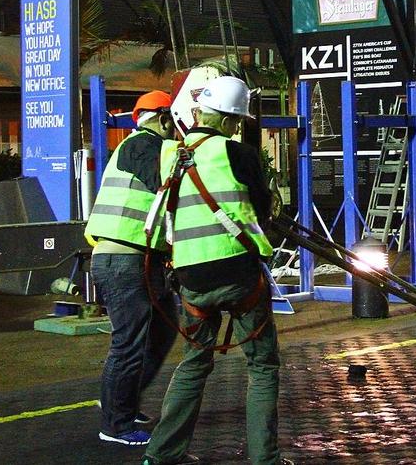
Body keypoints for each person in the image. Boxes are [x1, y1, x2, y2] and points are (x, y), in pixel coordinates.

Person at [143, 75, 291, 465]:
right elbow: (261, 209)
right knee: (261, 365)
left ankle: (161, 455)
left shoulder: (168, 155)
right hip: (239, 273)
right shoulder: (237, 152)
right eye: (237, 122)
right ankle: (265, 459)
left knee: (193, 363)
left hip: (191, 277)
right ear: (229, 120)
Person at [85, 90, 178, 447]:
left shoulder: (145, 146)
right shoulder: (141, 144)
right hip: (123, 259)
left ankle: (121, 400)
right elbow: (166, 183)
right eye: (172, 119)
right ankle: (116, 423)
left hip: (140, 260)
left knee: (162, 333)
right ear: (161, 117)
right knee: (128, 344)